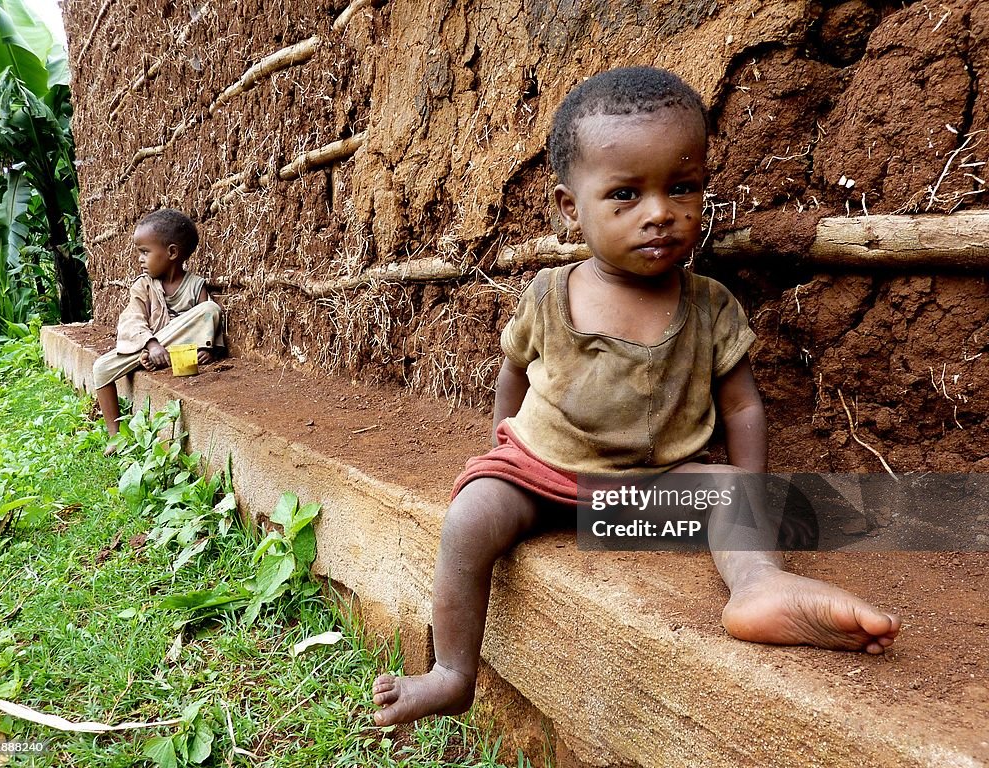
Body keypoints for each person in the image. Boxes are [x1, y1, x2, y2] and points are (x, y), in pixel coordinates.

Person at [371, 66, 901, 726]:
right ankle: (451, 672)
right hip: (539, 476)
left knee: (725, 494)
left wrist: (749, 494)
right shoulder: (548, 295)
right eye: (625, 194)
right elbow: (513, 372)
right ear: (572, 208)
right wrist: (503, 444)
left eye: (682, 188)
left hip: (646, 491)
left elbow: (742, 406)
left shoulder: (709, 307)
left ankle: (760, 586)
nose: (660, 213)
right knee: (469, 519)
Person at [93, 209, 223, 444]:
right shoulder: (143, 286)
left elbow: (207, 319)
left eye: (145, 252)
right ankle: (116, 436)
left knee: (209, 309)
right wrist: (151, 344)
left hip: (180, 351)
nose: (140, 259)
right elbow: (132, 319)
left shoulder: (195, 286)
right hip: (152, 345)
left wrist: (209, 348)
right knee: (101, 368)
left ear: (172, 252)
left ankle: (162, 357)